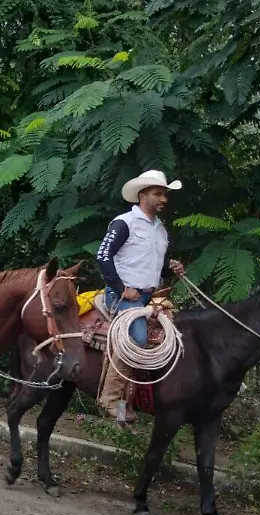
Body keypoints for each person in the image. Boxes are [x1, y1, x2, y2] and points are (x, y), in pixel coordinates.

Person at [95, 169, 186, 423]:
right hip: (122, 297)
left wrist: (172, 270)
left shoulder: (161, 230)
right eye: (158, 193)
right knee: (137, 337)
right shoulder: (124, 223)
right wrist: (121, 288)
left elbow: (154, 268)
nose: (163, 199)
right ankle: (110, 399)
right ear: (142, 194)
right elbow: (103, 256)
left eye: (165, 194)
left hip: (149, 297)